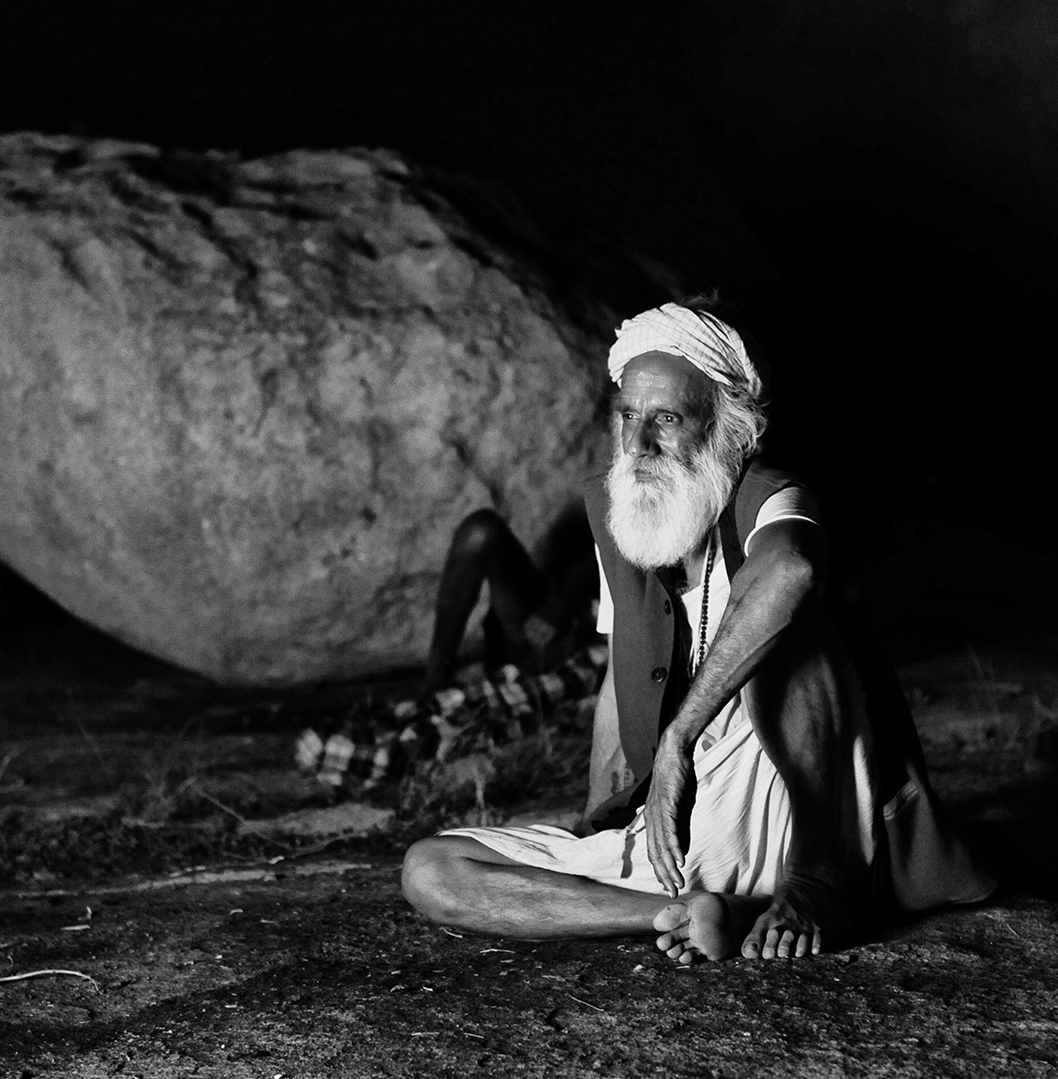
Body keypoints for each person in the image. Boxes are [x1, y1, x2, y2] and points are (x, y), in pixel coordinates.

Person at [401, 302, 994, 964]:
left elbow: (789, 570)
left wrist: (679, 739)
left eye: (667, 419)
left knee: (786, 621)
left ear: (726, 428)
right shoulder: (620, 504)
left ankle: (820, 888)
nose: (639, 442)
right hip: (675, 828)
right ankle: (680, 912)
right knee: (429, 869)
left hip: (793, 818)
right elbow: (617, 672)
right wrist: (606, 810)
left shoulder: (771, 492)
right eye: (627, 415)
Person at [419, 507, 599, 699]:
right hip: (533, 639)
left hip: (583, 648)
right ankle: (435, 679)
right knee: (479, 532)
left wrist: (564, 604)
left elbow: (615, 553)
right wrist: (559, 602)